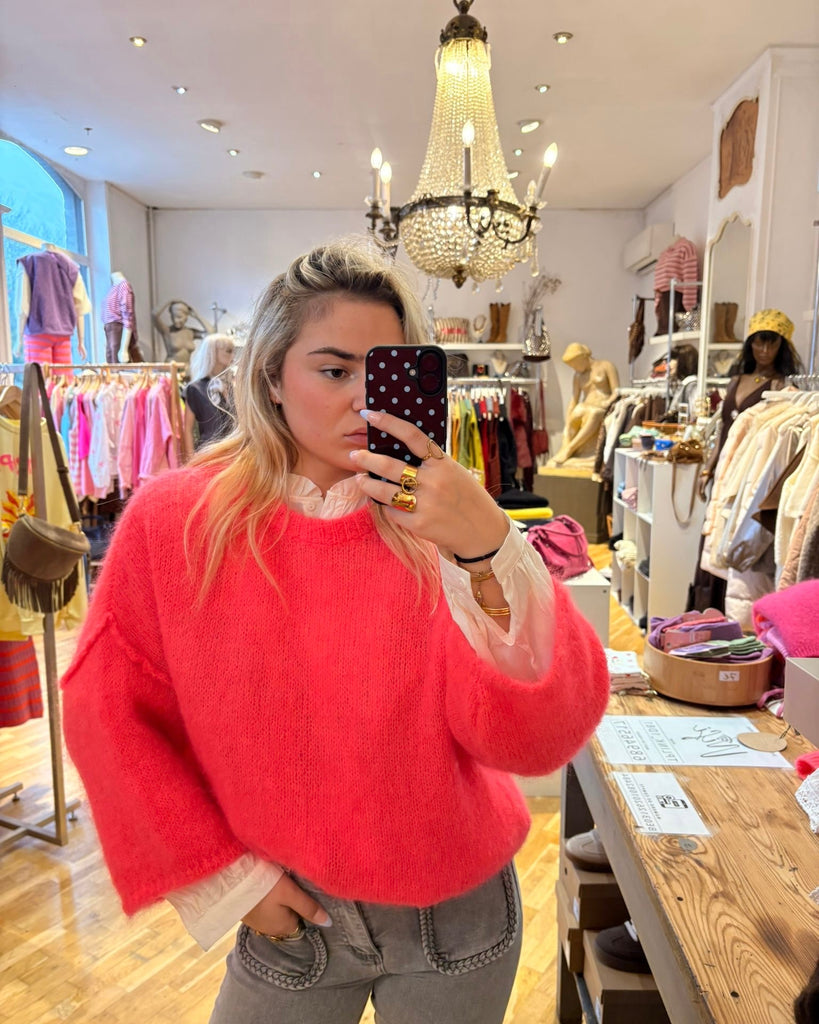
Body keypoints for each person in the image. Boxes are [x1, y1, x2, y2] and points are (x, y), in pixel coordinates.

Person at [60, 239, 609, 1024]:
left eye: (384, 376)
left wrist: (490, 548)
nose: (364, 402)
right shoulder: (178, 520)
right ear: (270, 377)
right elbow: (106, 708)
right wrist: (228, 883)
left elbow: (533, 739)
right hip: (289, 913)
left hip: (456, 914)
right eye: (333, 370)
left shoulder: (437, 523)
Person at [698, 308, 802, 498]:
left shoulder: (780, 387)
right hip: (723, 469)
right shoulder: (735, 381)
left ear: (781, 347)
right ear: (750, 343)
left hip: (749, 473)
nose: (765, 350)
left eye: (772, 344)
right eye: (759, 342)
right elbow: (723, 428)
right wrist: (707, 469)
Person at [551, 342, 619, 465]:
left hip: (603, 407)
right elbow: (574, 399)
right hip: (586, 406)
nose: (574, 368)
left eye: (575, 364)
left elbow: (617, 391)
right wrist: (568, 421)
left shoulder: (606, 366)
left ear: (583, 356)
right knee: (576, 412)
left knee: (594, 413)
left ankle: (570, 449)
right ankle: (565, 448)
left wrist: (608, 402)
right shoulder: (578, 376)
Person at [183, 333, 236, 458]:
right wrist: (191, 460)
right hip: (209, 454)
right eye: (228, 351)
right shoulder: (195, 389)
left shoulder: (233, 386)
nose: (233, 356)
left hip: (234, 452)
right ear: (213, 352)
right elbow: (188, 429)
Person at [153, 299, 211, 365]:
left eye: (179, 317)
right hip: (171, 368)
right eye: (173, 317)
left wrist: (197, 317)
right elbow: (154, 315)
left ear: (186, 317)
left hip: (186, 368)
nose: (175, 320)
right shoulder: (167, 331)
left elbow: (211, 333)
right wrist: (169, 301)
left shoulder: (191, 332)